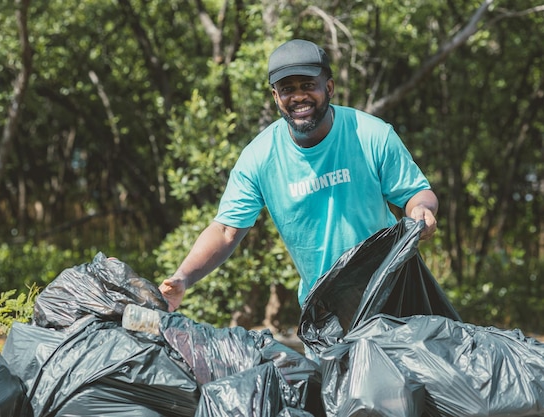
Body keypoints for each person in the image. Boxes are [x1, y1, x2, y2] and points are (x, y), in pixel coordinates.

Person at [159, 38, 438, 314]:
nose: (298, 97)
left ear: (328, 87)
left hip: (393, 297)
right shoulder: (260, 157)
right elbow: (225, 230)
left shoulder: (370, 135)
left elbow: (416, 194)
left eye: (308, 86)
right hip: (324, 313)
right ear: (275, 97)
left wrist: (421, 210)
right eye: (287, 89)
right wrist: (183, 277)